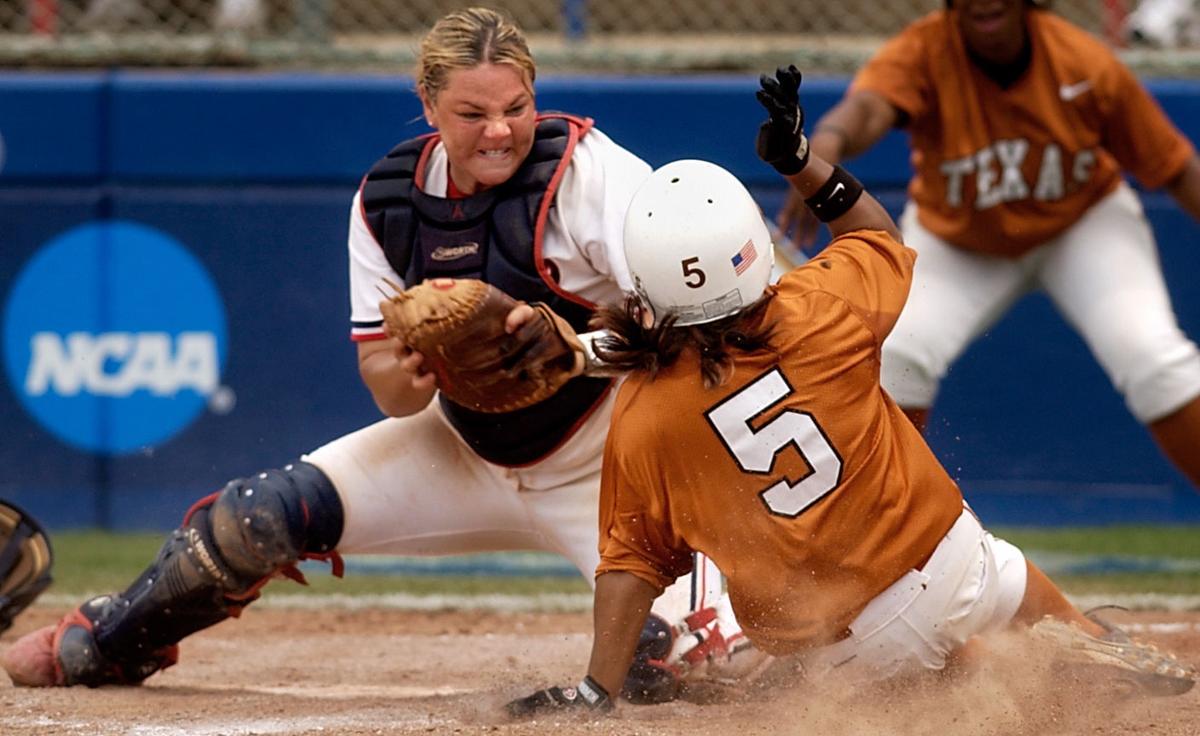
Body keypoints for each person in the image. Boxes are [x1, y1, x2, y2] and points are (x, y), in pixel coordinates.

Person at [0, 6, 723, 693]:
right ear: (429, 103)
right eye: (473, 114)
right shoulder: (390, 201)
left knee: (680, 667)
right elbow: (387, 385)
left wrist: (576, 349)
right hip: (463, 446)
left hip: (612, 464)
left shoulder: (588, 173)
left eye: (517, 108)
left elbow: (690, 327)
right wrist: (418, 365)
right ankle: (109, 641)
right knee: (256, 518)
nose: (499, 132)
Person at [505, 67, 1196, 718]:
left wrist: (598, 687)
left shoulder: (644, 414)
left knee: (784, 691)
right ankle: (1111, 665)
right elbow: (874, 232)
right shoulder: (820, 309)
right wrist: (800, 161)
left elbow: (631, 564)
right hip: (960, 559)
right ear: (748, 244)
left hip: (854, 645)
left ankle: (986, 673)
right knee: (1066, 635)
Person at [775, 0, 1200, 490]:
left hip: (1080, 226)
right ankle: (888, 531)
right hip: (958, 239)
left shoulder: (1082, 60)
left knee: (1155, 360)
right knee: (897, 358)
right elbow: (869, 107)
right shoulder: (923, 50)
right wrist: (828, 139)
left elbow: (1174, 165)